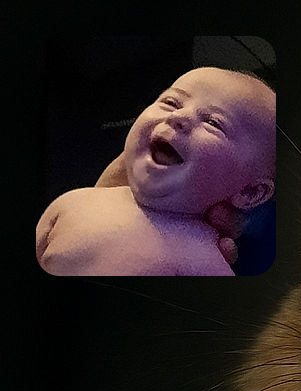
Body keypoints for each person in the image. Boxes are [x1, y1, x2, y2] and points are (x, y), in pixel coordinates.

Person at [36, 67, 275, 276]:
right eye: (171, 102)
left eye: (213, 123)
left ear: (250, 191)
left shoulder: (202, 256)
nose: (179, 116)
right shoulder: (76, 201)